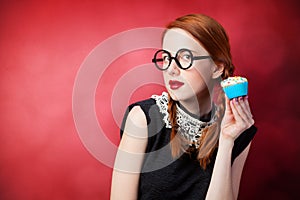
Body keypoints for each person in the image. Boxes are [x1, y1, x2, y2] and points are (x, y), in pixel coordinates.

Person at [110, 13, 257, 200]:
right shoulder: (143, 118)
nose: (171, 69)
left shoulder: (239, 131)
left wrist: (227, 141)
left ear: (217, 68)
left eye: (186, 57)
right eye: (166, 58)